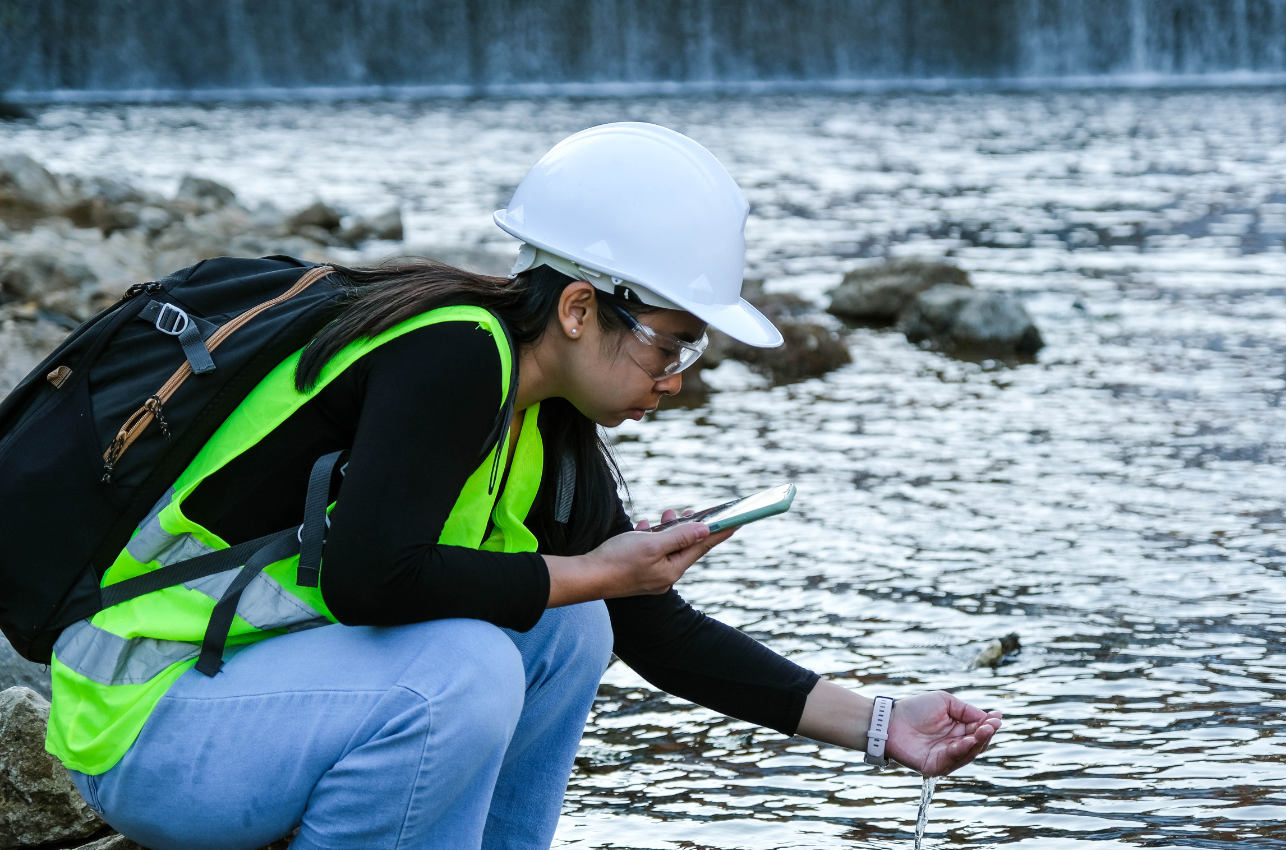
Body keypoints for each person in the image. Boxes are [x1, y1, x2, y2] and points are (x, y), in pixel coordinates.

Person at [47, 123, 1001, 850]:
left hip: (261, 700)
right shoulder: (453, 354)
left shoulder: (543, 420)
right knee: (466, 669)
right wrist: (597, 572)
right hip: (150, 722)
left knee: (570, 625)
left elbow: (644, 626)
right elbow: (371, 580)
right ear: (582, 307)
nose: (675, 379)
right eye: (669, 344)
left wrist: (879, 725)